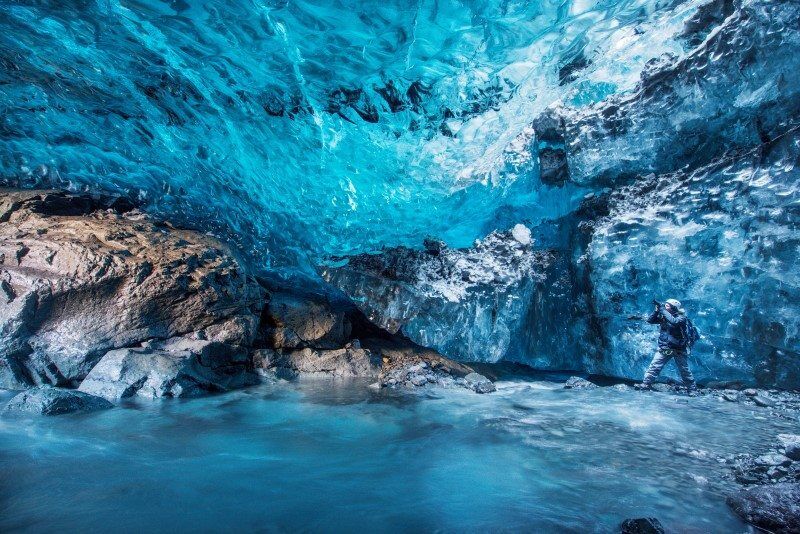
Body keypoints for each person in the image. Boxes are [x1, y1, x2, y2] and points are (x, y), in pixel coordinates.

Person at [635, 298, 697, 392]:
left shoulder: (681, 317)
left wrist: (662, 310)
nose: (665, 306)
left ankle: (692, 389)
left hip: (678, 349)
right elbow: (650, 320)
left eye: (667, 305)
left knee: (684, 370)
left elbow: (674, 322)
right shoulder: (664, 316)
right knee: (654, 366)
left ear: (673, 308)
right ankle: (646, 384)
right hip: (665, 347)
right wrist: (656, 311)